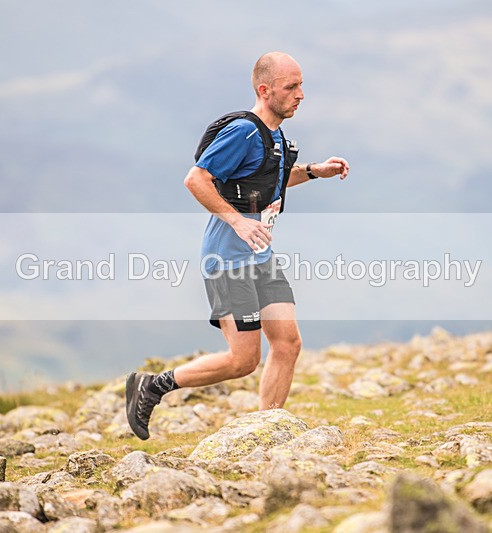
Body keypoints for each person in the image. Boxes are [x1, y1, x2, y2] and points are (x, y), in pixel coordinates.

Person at [126, 51, 350, 440]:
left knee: (288, 343)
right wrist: (238, 222)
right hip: (228, 258)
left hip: (260, 257)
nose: (301, 94)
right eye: (291, 87)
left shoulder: (276, 135)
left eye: (301, 85)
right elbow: (196, 179)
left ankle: (267, 434)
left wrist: (315, 172)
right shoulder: (242, 131)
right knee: (243, 360)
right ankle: (153, 386)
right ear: (265, 90)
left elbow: (269, 181)